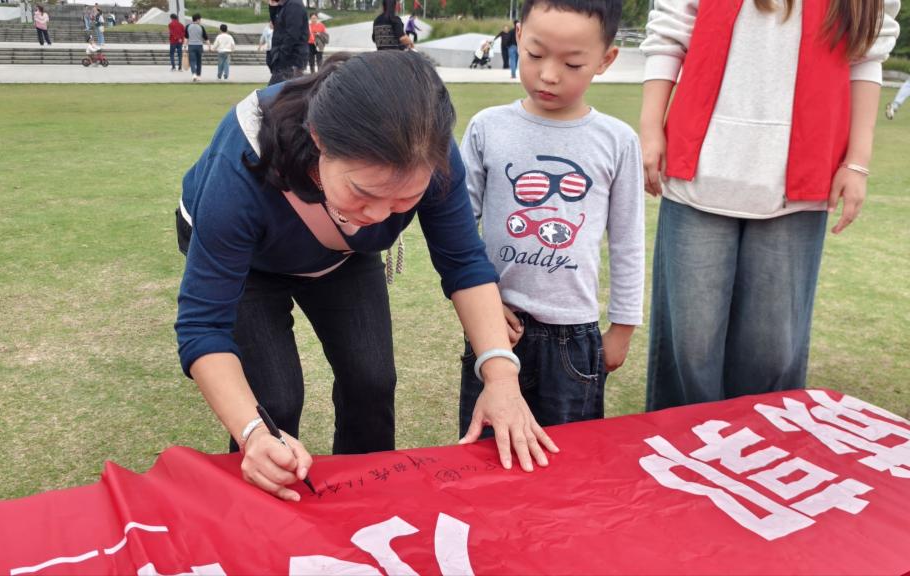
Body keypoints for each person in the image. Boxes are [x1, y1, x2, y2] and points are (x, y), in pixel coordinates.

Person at [175, 51, 558, 502]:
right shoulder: (242, 162)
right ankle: (261, 502)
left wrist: (501, 379)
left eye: (403, 200)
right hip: (250, 265)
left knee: (372, 380)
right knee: (273, 401)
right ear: (319, 139)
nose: (376, 217)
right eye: (363, 192)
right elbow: (204, 325)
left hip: (342, 256)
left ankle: (367, 504)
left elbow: (464, 262)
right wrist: (253, 431)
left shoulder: (431, 154)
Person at [639, 0, 899, 410]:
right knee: (689, 349)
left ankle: (762, 449)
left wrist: (857, 161)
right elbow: (670, 33)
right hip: (699, 174)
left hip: (798, 182)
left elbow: (867, 53)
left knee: (772, 355)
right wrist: (651, 128)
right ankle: (680, 446)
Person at [458, 0, 643, 436]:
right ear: (519, 36)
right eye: (536, 54)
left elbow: (628, 242)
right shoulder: (487, 127)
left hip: (574, 336)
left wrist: (622, 329)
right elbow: (460, 227)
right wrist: (482, 306)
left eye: (572, 63)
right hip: (497, 328)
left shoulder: (617, 140)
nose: (549, 74)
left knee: (570, 456)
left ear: (606, 59)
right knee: (485, 452)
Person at [268, 0, 308, 85]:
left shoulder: (294, 5)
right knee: (277, 90)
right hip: (286, 59)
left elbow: (292, 34)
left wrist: (281, 55)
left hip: (290, 59)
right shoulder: (285, 5)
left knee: (274, 91)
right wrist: (273, 7)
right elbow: (277, 26)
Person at [185, 13, 210, 81]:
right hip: (199, 46)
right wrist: (209, 46)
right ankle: (198, 76)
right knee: (199, 61)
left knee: (192, 61)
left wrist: (184, 46)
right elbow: (206, 38)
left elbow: (186, 38)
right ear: (198, 19)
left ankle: (194, 74)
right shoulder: (201, 27)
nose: (200, 21)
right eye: (200, 19)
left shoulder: (188, 26)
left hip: (191, 46)